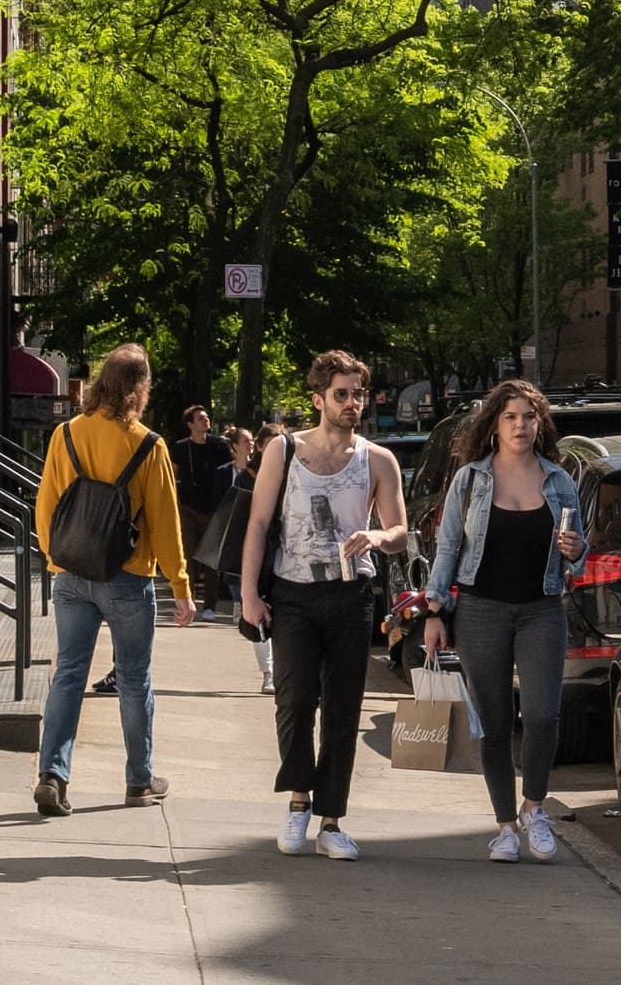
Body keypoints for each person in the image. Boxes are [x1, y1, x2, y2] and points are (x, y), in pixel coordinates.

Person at [241, 349, 406, 861]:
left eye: (359, 393)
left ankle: (331, 820)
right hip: (292, 595)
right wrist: (249, 593)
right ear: (319, 399)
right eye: (342, 394)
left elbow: (401, 531)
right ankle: (297, 803)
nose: (352, 403)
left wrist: (378, 538)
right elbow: (259, 524)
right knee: (293, 701)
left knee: (342, 710)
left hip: (352, 595)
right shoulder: (284, 451)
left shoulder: (378, 460)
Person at [422, 379, 584, 865]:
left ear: (540, 424)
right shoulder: (470, 479)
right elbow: (448, 546)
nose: (521, 426)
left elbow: (578, 549)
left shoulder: (559, 480)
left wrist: (577, 552)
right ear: (494, 424)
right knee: (494, 724)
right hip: (480, 611)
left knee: (542, 715)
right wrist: (434, 610)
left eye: (529, 417)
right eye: (511, 417)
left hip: (542, 609)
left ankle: (534, 808)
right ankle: (505, 826)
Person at [32, 342, 194, 817]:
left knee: (68, 675)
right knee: (133, 679)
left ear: (102, 381)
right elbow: (165, 522)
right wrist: (180, 585)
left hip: (72, 573)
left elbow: (47, 505)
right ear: (140, 389)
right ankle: (139, 781)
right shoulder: (149, 444)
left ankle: (52, 775)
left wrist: (55, 559)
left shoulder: (65, 435)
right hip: (128, 576)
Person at [223, 427, 275, 692]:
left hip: (283, 554)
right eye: (270, 444)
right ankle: (268, 672)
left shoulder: (294, 475)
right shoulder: (246, 478)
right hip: (254, 554)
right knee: (258, 613)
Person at [171, 404, 234, 611]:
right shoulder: (181, 448)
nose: (206, 420)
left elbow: (229, 472)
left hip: (213, 509)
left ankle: (209, 606)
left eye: (206, 417)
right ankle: (187, 600)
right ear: (190, 424)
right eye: (200, 418)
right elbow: (173, 475)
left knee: (211, 561)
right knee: (187, 556)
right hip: (188, 508)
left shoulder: (219, 446)